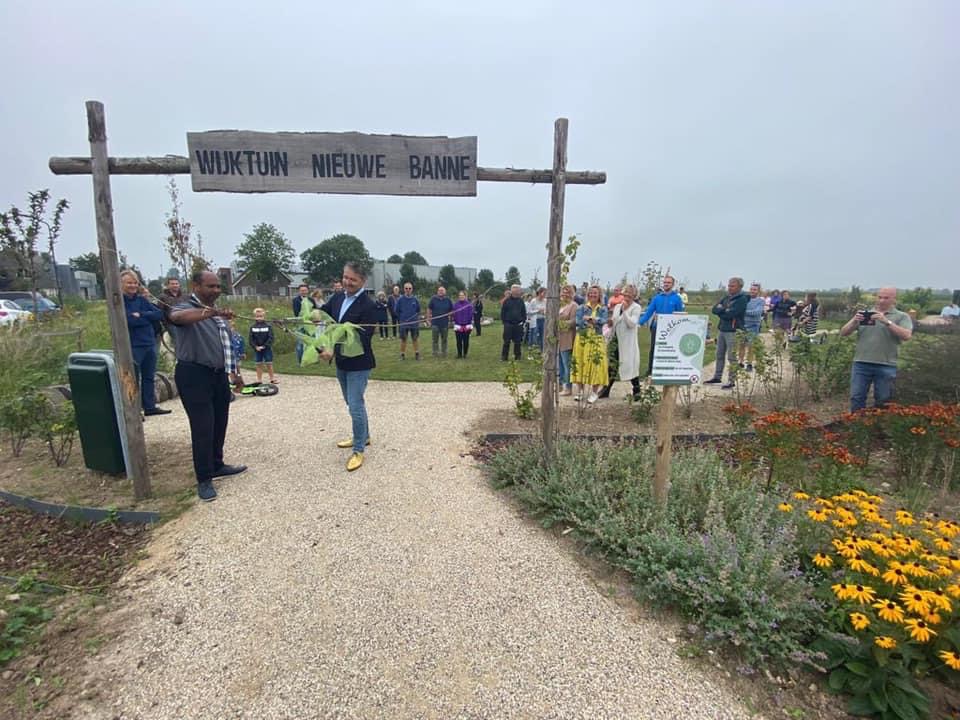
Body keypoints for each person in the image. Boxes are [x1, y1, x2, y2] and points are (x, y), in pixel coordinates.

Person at [169, 270, 247, 501]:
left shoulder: (218, 314)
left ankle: (216, 464)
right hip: (194, 374)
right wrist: (210, 313)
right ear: (195, 286)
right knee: (202, 426)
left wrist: (235, 373)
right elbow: (178, 319)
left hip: (218, 374)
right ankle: (204, 479)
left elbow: (226, 345)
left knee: (219, 422)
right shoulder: (183, 306)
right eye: (210, 286)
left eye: (217, 287)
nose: (215, 291)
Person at [318, 262, 377, 472]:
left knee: (355, 404)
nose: (347, 282)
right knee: (351, 403)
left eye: (352, 279)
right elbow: (324, 315)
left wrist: (333, 347)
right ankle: (365, 435)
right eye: (345, 277)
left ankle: (359, 449)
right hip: (342, 363)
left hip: (359, 364)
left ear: (362, 281)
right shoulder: (338, 297)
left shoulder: (369, 306)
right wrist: (310, 315)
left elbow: (363, 337)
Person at [840, 287, 913, 411]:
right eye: (879, 297)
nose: (881, 301)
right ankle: (856, 425)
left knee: (883, 399)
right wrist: (854, 320)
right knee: (856, 397)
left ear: (894, 299)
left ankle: (879, 426)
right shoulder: (866, 314)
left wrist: (887, 322)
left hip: (886, 364)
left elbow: (906, 335)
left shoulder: (901, 316)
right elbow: (843, 332)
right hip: (861, 363)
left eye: (886, 298)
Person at [120, 270, 170, 417]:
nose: (133, 285)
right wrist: (146, 317)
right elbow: (128, 321)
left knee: (149, 376)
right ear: (121, 284)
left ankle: (149, 406)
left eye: (135, 282)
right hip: (133, 345)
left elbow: (159, 314)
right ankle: (133, 410)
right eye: (129, 282)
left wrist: (142, 315)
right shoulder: (120, 302)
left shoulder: (142, 300)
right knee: (132, 378)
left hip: (148, 342)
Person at [637, 275, 685, 376]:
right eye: (665, 282)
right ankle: (650, 370)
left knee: (669, 349)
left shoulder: (677, 298)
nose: (666, 284)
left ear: (673, 284)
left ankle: (666, 370)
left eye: (668, 283)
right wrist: (639, 323)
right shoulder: (657, 298)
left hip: (671, 329)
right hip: (657, 327)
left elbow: (680, 314)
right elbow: (648, 312)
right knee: (654, 348)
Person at [705, 277, 748, 389]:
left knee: (731, 356)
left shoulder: (742, 299)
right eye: (729, 285)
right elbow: (715, 309)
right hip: (722, 329)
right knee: (719, 354)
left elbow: (732, 314)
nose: (729, 288)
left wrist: (722, 310)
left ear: (739, 287)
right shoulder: (727, 297)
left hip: (733, 331)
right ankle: (717, 376)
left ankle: (731, 380)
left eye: (732, 286)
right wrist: (724, 310)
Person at [572, 285, 609, 404]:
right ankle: (580, 391)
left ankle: (594, 392)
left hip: (596, 338)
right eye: (591, 293)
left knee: (596, 364)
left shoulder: (602, 308)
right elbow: (578, 321)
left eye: (595, 293)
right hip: (583, 338)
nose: (593, 295)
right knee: (580, 361)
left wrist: (593, 320)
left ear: (599, 295)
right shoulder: (582, 307)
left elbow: (603, 321)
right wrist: (590, 321)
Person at [608, 284, 643, 399]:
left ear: (634, 295)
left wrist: (625, 311)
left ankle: (637, 390)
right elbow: (615, 320)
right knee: (613, 364)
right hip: (617, 338)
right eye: (625, 293)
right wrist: (610, 325)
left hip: (628, 340)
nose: (626, 296)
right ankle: (606, 389)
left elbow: (632, 324)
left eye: (629, 294)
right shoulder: (618, 306)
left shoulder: (636, 307)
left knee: (630, 364)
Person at [738, 283, 766, 371]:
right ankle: (740, 362)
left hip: (754, 326)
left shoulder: (760, 301)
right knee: (741, 344)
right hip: (743, 325)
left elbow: (756, 313)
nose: (752, 291)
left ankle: (749, 364)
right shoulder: (744, 299)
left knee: (751, 345)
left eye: (754, 290)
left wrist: (743, 311)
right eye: (751, 289)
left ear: (758, 291)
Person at [557, 285, 578, 396]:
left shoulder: (574, 306)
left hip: (568, 337)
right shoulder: (560, 305)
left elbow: (574, 321)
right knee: (559, 363)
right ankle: (560, 384)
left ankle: (568, 387)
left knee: (566, 363)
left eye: (567, 292)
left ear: (571, 294)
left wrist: (562, 324)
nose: (565, 294)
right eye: (563, 292)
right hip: (558, 337)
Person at [248, 307, 278, 384]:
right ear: (254, 317)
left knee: (269, 363)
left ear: (264, 316)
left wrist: (265, 346)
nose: (259, 318)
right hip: (257, 349)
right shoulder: (253, 327)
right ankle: (259, 379)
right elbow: (251, 339)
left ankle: (272, 378)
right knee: (258, 364)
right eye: (257, 316)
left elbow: (271, 338)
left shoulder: (268, 326)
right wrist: (255, 347)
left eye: (261, 316)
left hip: (266, 348)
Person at [292, 283, 319, 365]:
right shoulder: (296, 300)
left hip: (311, 325)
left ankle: (313, 359)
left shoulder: (311, 300)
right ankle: (300, 361)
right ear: (299, 291)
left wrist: (314, 320)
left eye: (305, 290)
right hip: (301, 324)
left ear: (308, 291)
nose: (303, 292)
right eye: (302, 290)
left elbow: (315, 311)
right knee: (300, 344)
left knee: (312, 342)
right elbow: (297, 313)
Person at [395, 282, 421, 360]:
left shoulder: (415, 299)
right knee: (403, 339)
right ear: (404, 289)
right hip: (404, 323)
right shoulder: (400, 299)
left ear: (412, 289)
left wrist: (415, 318)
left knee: (415, 339)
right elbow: (396, 311)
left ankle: (417, 354)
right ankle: (402, 355)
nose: (408, 290)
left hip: (414, 323)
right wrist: (402, 319)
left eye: (410, 288)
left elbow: (418, 310)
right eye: (406, 288)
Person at [500, 284, 526, 361]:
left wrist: (523, 321)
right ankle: (504, 357)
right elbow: (503, 312)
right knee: (506, 341)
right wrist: (504, 322)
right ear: (513, 291)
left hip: (518, 324)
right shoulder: (507, 301)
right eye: (518, 290)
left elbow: (523, 312)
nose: (519, 291)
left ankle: (517, 356)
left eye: (519, 290)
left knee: (518, 342)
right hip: (508, 324)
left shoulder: (521, 301)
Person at [427, 286, 454, 357]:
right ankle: (435, 352)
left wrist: (450, 314)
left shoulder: (448, 300)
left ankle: (444, 352)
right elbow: (429, 309)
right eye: (439, 290)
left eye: (442, 290)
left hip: (444, 323)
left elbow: (452, 310)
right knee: (435, 339)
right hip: (435, 323)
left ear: (445, 292)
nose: (441, 292)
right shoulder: (433, 299)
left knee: (444, 339)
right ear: (437, 292)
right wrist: (428, 319)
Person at [158, 277, 183, 346]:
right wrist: (165, 323)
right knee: (178, 343)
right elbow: (160, 311)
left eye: (176, 284)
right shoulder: (163, 297)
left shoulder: (184, 296)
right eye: (172, 284)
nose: (175, 285)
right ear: (168, 285)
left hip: (185, 323)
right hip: (171, 324)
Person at [452, 290, 474, 358]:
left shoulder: (469, 304)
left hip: (466, 325)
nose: (461, 297)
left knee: (466, 341)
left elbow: (470, 315)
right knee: (458, 341)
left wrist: (467, 323)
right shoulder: (455, 304)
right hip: (458, 325)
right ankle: (459, 354)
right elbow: (453, 314)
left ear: (465, 296)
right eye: (460, 295)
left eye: (462, 295)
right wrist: (454, 320)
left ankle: (465, 353)